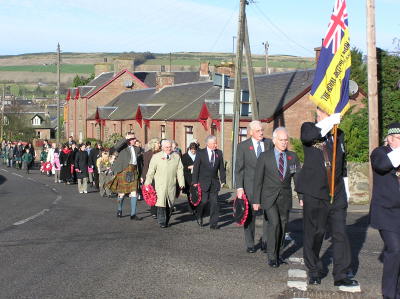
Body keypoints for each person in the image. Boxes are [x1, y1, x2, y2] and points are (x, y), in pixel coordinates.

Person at [295, 108, 357, 287]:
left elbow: (342, 163)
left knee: (340, 233)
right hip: (314, 192)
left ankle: (341, 274)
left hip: (336, 192)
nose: (331, 115)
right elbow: (308, 137)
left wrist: (345, 190)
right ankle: (314, 270)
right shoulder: (309, 128)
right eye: (326, 112)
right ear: (319, 113)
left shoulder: (339, 134)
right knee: (315, 233)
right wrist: (330, 121)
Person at [253, 127, 301, 267]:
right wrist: (256, 200)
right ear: (274, 141)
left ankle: (279, 254)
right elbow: (258, 180)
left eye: (286, 140)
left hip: (285, 198)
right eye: (281, 140)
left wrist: (301, 196)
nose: (284, 142)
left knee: (283, 225)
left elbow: (297, 178)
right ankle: (272, 256)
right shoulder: (264, 156)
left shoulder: (292, 157)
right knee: (274, 224)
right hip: (268, 198)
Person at [370, 122, 400, 299]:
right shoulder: (380, 153)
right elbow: (382, 165)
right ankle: (389, 295)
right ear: (389, 138)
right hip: (386, 213)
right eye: (398, 138)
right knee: (395, 250)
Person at [235, 120, 273, 253]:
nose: (261, 132)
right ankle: (250, 243)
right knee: (250, 216)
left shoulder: (269, 144)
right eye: (258, 131)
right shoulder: (243, 147)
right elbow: (239, 169)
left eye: (262, 130)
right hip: (250, 187)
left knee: (269, 214)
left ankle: (266, 243)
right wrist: (239, 188)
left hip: (267, 187)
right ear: (250, 132)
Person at [144, 139, 185, 228]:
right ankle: (162, 221)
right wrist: (147, 183)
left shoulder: (176, 156)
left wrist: (181, 182)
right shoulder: (156, 157)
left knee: (169, 204)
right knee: (161, 203)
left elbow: (180, 170)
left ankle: (166, 219)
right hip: (160, 185)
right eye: (166, 147)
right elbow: (151, 171)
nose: (168, 149)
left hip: (171, 184)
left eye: (170, 147)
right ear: (162, 148)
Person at [192, 135, 226, 229]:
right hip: (203, 182)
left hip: (214, 182)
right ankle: (199, 215)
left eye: (216, 143)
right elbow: (196, 168)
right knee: (203, 201)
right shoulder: (200, 153)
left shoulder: (219, 153)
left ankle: (213, 223)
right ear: (208, 144)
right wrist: (195, 181)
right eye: (214, 143)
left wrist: (223, 180)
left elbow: (221, 168)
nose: (216, 145)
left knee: (214, 203)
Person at [107, 132, 142, 220]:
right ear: (128, 140)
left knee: (134, 193)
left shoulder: (137, 149)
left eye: (135, 138)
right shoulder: (122, 148)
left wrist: (141, 175)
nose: (135, 140)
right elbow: (115, 147)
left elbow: (139, 162)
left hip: (133, 171)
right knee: (121, 194)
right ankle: (119, 209)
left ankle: (133, 214)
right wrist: (125, 138)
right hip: (124, 171)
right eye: (133, 139)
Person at [141, 138, 161, 218]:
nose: (159, 144)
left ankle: (160, 210)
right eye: (158, 143)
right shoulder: (147, 154)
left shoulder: (161, 153)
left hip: (160, 176)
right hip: (151, 177)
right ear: (154, 144)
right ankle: (154, 211)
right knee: (153, 194)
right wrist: (143, 177)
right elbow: (145, 167)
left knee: (160, 194)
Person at [181, 142, 199, 214]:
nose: (193, 151)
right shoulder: (185, 156)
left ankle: (196, 207)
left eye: (195, 150)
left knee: (197, 193)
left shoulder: (198, 155)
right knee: (189, 193)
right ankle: (191, 209)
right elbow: (181, 167)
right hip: (188, 177)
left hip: (196, 177)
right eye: (192, 150)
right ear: (189, 149)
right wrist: (189, 167)